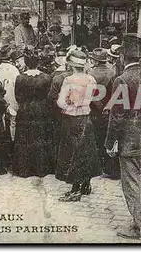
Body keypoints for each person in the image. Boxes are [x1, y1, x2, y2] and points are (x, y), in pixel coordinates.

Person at [105, 33, 141, 240]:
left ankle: (140, 228)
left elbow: (117, 115)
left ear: (122, 57)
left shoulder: (122, 80)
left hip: (130, 139)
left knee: (132, 184)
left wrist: (110, 142)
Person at [55, 49, 101, 201]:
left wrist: (68, 102)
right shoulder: (91, 79)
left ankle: (75, 187)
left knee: (72, 153)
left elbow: (61, 102)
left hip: (72, 118)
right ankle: (86, 183)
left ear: (72, 65)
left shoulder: (69, 80)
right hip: (86, 117)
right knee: (85, 151)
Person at [13, 50, 54, 177]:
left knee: (25, 138)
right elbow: (49, 97)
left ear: (25, 62)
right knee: (40, 137)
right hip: (41, 110)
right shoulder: (46, 77)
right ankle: (40, 168)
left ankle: (24, 169)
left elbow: (18, 96)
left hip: (25, 110)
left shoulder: (20, 78)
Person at [88, 48, 119, 179]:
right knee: (107, 138)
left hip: (94, 111)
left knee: (94, 138)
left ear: (94, 60)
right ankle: (109, 167)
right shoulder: (113, 73)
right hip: (108, 111)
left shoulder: (90, 73)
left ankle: (96, 166)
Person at [0, 45, 20, 162]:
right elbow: (18, 85)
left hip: (0, 99)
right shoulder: (14, 69)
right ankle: (12, 150)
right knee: (12, 123)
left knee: (2, 123)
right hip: (11, 98)